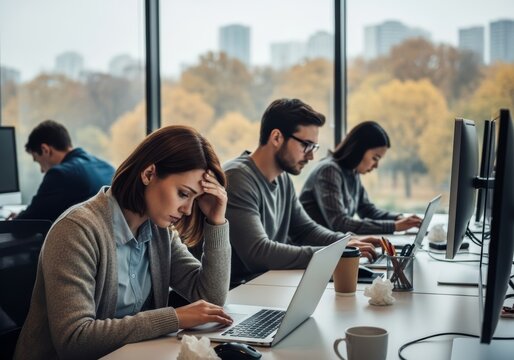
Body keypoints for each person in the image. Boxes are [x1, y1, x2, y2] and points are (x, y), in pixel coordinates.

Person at [14, 126, 233, 360]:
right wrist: (174, 318)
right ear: (149, 174)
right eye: (183, 193)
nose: (188, 210)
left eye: (195, 199)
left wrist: (216, 221)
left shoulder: (159, 232)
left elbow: (210, 298)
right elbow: (74, 340)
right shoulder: (77, 230)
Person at [223, 98, 381, 284]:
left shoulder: (282, 179)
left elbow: (305, 230)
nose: (312, 155)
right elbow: (258, 253)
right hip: (235, 296)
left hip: (264, 284)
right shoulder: (236, 178)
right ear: (276, 138)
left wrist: (345, 242)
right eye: (306, 145)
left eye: (314, 147)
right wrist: (334, 253)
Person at [300, 121, 422, 235]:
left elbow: (367, 210)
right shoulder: (328, 171)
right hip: (312, 249)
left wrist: (398, 219)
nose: (376, 165)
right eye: (375, 158)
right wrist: (394, 226)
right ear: (359, 150)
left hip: (329, 247)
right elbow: (340, 224)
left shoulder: (352, 172)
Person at [10, 120, 115, 222]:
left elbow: (26, 224)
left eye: (38, 161)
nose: (42, 170)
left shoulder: (60, 174)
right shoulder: (108, 168)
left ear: (45, 150)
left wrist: (17, 219)